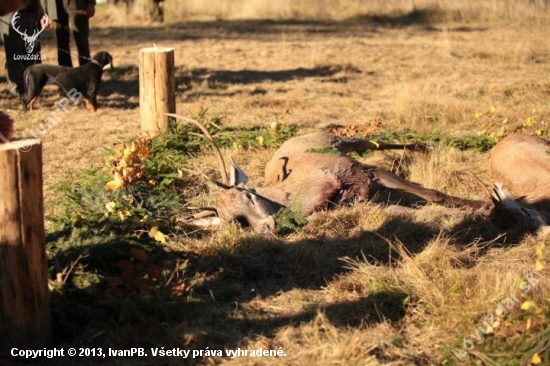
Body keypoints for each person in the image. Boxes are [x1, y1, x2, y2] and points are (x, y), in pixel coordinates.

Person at [1, 0, 47, 96]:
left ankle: (28, 87)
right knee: (15, 54)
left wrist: (41, 14)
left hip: (29, 14)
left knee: (29, 55)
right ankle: (17, 89)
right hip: (10, 15)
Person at [44, 0, 95, 67]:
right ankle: (65, 73)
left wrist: (90, 2)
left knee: (82, 41)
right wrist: (44, 10)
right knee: (61, 43)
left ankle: (86, 73)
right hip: (55, 4)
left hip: (77, 4)